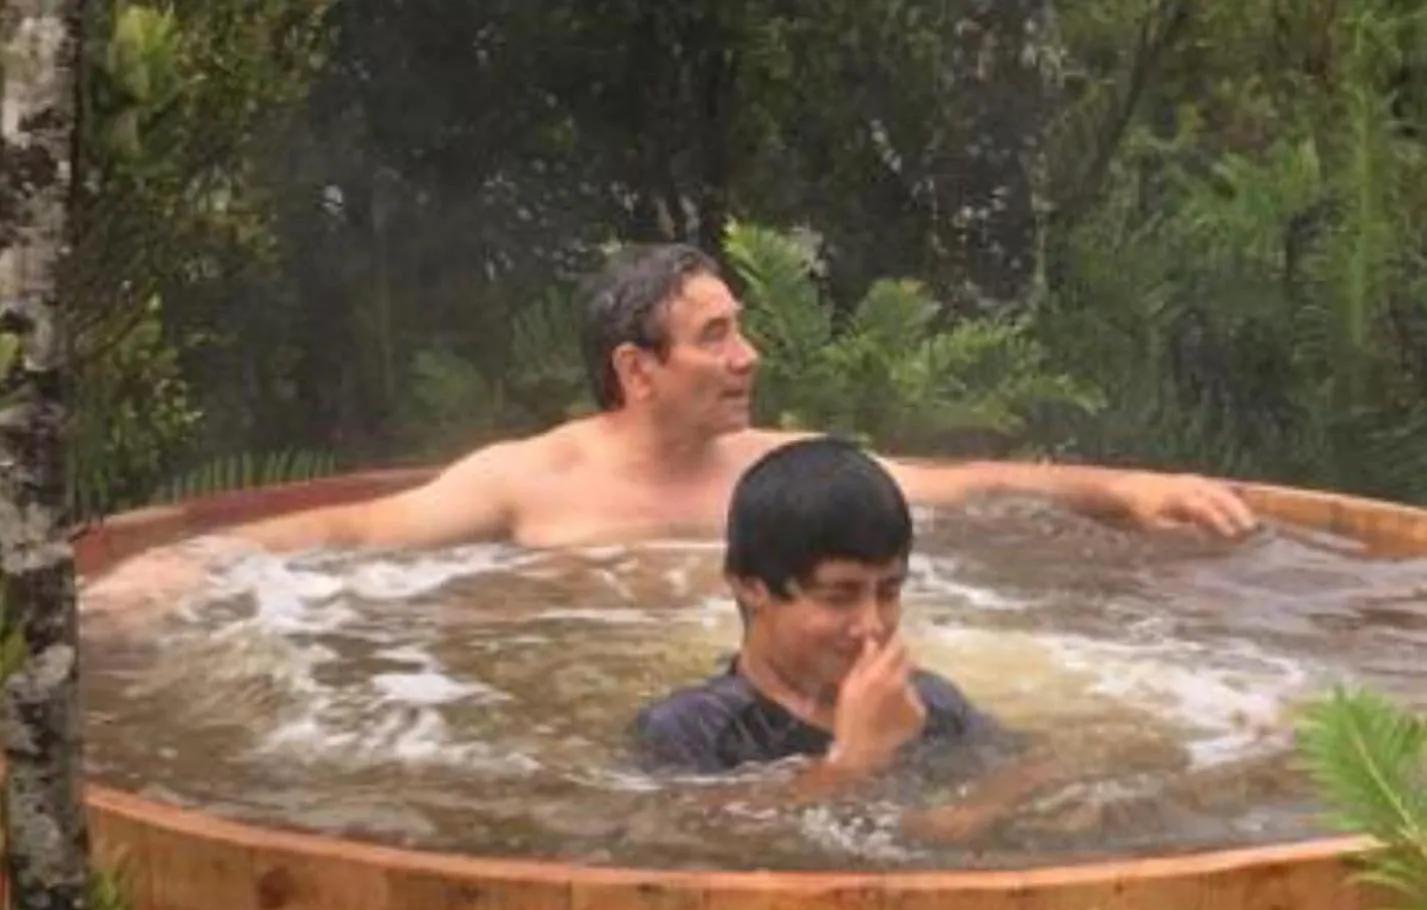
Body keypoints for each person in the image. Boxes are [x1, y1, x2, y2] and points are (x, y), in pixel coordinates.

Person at [88, 243, 1255, 613]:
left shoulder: (772, 471)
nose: (747, 357)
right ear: (635, 369)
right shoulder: (526, 482)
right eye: (714, 336)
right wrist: (186, 563)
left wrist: (1126, 490)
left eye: (741, 329)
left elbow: (960, 483)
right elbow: (352, 535)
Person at [634, 435, 1057, 842]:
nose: (872, 624)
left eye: (889, 592)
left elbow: (1034, 768)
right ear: (750, 587)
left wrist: (965, 816)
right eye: (839, 597)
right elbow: (702, 839)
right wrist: (853, 763)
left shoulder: (927, 702)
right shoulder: (691, 730)